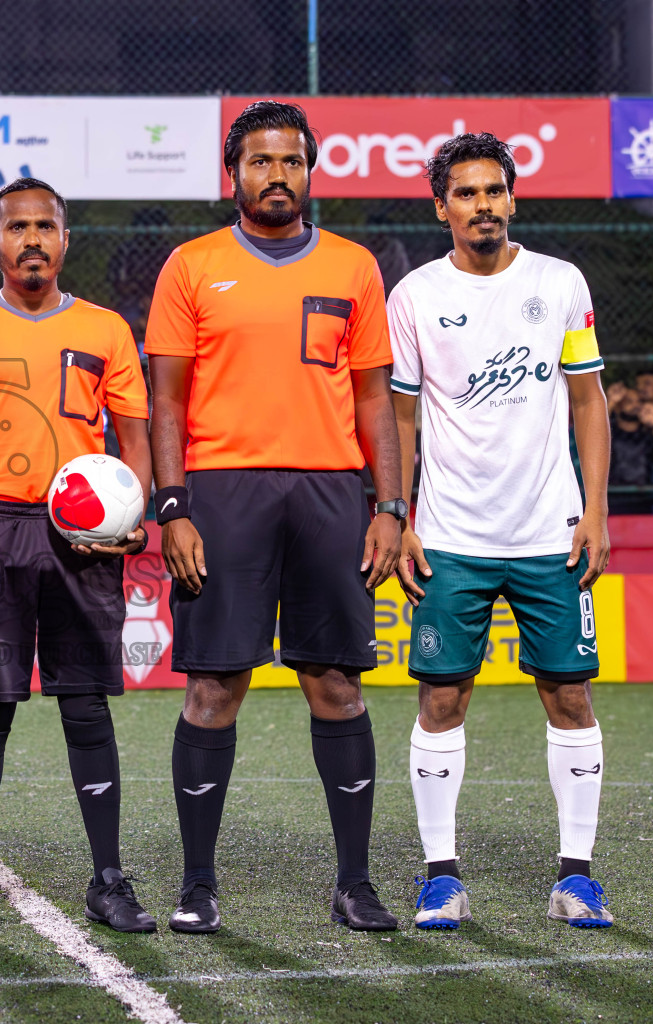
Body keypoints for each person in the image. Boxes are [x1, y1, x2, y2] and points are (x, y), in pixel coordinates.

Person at [146, 101, 404, 934]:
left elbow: (375, 401)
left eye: (291, 161)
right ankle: (196, 884)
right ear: (235, 174)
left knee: (335, 683)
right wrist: (173, 506)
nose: (277, 175)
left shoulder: (354, 266)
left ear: (310, 170)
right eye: (261, 162)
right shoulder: (192, 265)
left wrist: (390, 506)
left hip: (331, 492)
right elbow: (167, 400)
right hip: (223, 492)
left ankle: (355, 882)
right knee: (215, 685)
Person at [0, 178, 156, 939]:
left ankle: (108, 880)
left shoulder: (106, 329)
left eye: (45, 227)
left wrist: (135, 509)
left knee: (86, 703)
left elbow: (135, 438)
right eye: (16, 227)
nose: (31, 239)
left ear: (63, 239)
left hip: (79, 539)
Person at [389, 133, 615, 931]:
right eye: (466, 192)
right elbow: (403, 414)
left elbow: (589, 400)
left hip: (551, 533)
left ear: (513, 198)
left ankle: (578, 877)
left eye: (494, 191)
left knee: (569, 693)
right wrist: (402, 515)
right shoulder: (414, 294)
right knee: (442, 698)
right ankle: (441, 876)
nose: (482, 204)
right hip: (450, 537)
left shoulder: (559, 283)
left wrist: (596, 509)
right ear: (441, 205)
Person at [607, 385, 653, 514]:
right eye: (629, 401)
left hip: (643, 499)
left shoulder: (650, 432)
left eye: (639, 401)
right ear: (618, 406)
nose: (635, 406)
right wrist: (610, 402)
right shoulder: (609, 430)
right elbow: (592, 435)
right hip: (612, 499)